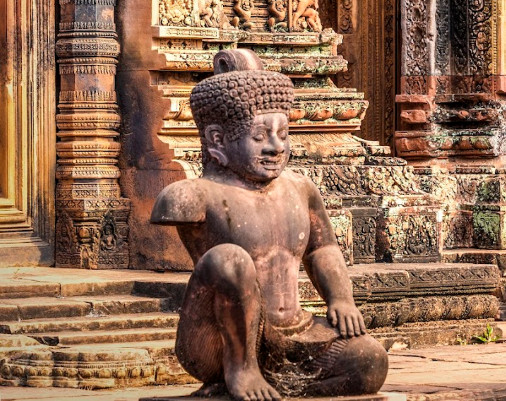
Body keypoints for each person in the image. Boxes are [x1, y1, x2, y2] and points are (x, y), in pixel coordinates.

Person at [152, 49, 388, 400]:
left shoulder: (300, 189)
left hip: (294, 333)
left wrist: (341, 298)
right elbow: (219, 269)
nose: (276, 147)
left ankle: (282, 386)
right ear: (218, 140)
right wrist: (237, 360)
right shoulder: (193, 196)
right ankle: (241, 370)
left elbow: (322, 248)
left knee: (370, 360)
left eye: (283, 134)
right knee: (229, 259)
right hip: (218, 342)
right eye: (260, 137)